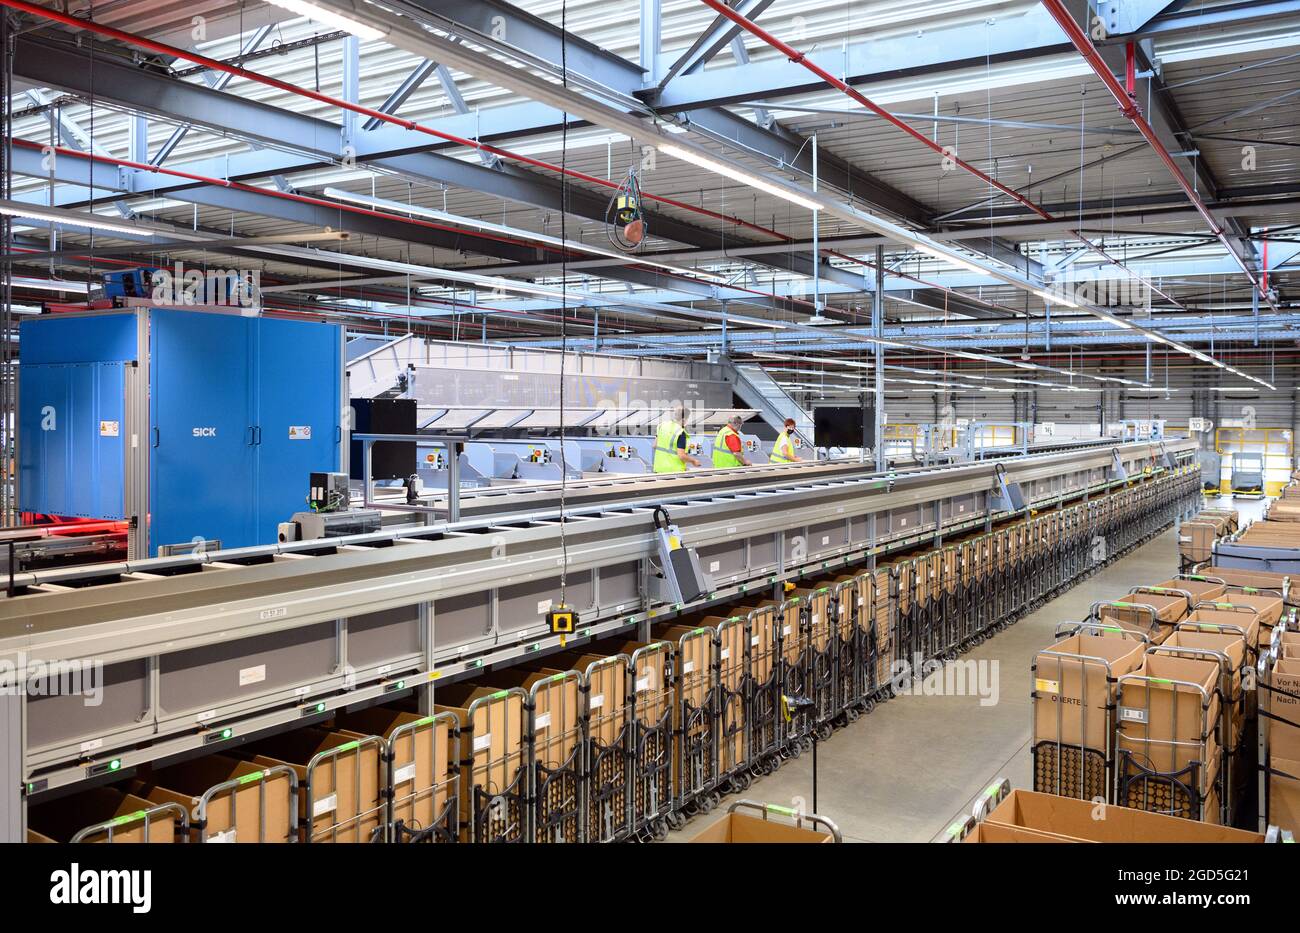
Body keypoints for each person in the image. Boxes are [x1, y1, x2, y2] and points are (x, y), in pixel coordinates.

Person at [653, 404, 702, 473]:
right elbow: (681, 456)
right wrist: (693, 461)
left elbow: (655, 445)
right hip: (674, 471)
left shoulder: (662, 426)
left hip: (659, 469)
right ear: (684, 419)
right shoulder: (680, 432)